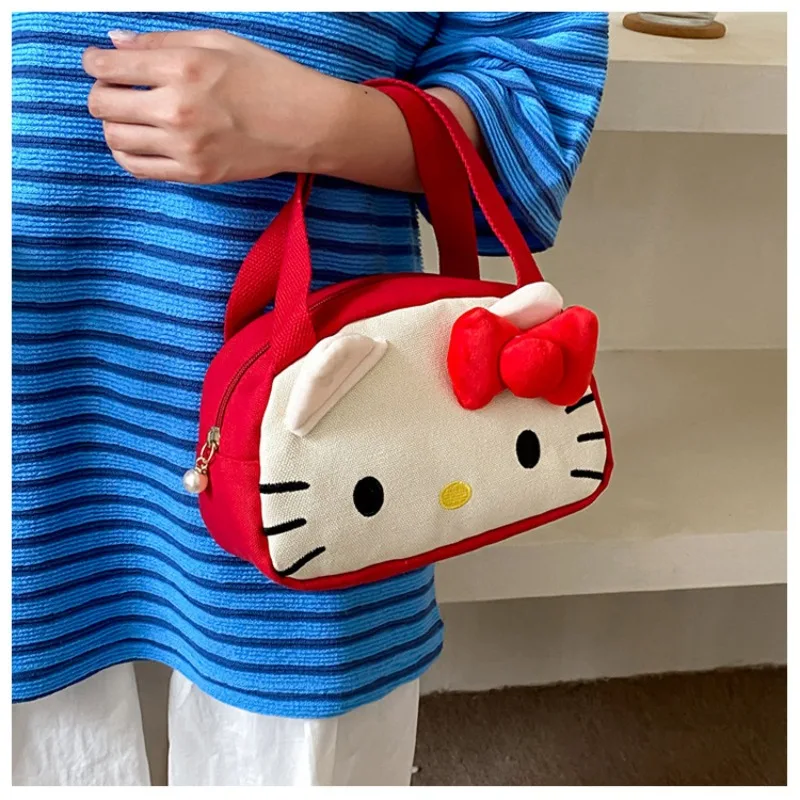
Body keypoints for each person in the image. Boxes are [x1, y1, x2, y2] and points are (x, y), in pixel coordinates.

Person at [12, 11, 608, 786]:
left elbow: (533, 87)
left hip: (320, 399)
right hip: (35, 356)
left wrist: (323, 122)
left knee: (292, 729)